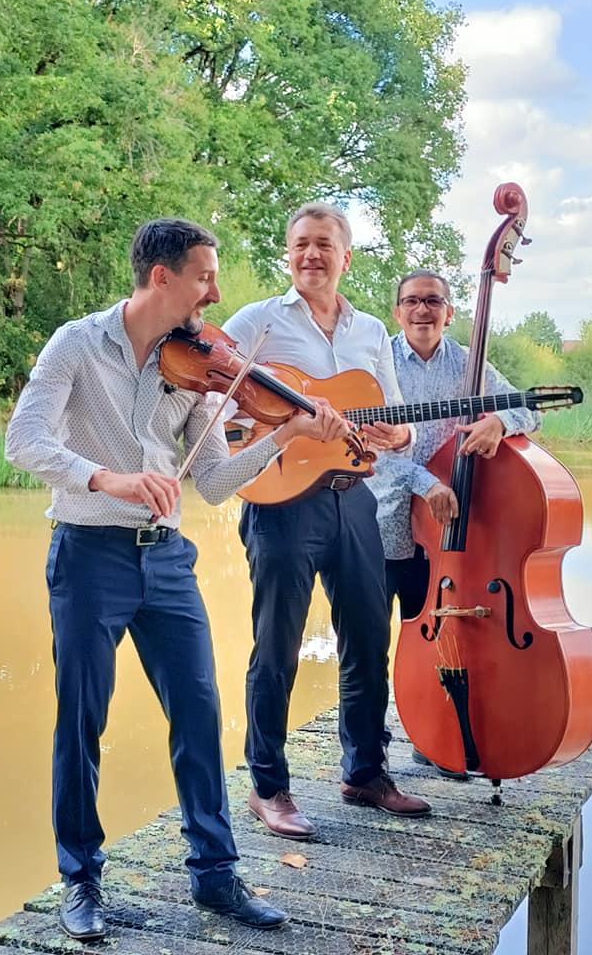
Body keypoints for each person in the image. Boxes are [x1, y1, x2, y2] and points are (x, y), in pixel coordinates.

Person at [4, 218, 349, 941]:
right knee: (81, 722)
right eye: (204, 277)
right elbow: (24, 439)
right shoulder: (76, 343)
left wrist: (283, 435)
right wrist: (107, 477)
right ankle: (81, 881)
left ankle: (216, 876)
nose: (215, 293)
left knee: (198, 715)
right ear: (162, 278)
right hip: (88, 555)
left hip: (166, 560)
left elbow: (218, 482)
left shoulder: (197, 366)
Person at [222, 203, 431, 840]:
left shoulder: (370, 330)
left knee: (369, 640)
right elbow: (214, 398)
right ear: (288, 254)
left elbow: (393, 411)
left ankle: (365, 772)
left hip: (354, 497)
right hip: (281, 501)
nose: (311, 256)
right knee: (277, 647)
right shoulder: (256, 321)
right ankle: (268, 786)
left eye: (323, 246)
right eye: (300, 245)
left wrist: (402, 432)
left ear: (346, 257)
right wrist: (277, 431)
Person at [365, 269, 541, 775]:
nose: (423, 310)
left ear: (449, 312)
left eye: (433, 301)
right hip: (379, 526)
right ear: (397, 312)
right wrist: (426, 483)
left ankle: (432, 734)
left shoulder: (472, 367)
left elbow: (529, 404)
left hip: (446, 544)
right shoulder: (378, 365)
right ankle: (368, 759)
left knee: (445, 635)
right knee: (368, 649)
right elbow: (367, 447)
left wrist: (499, 420)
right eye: (413, 301)